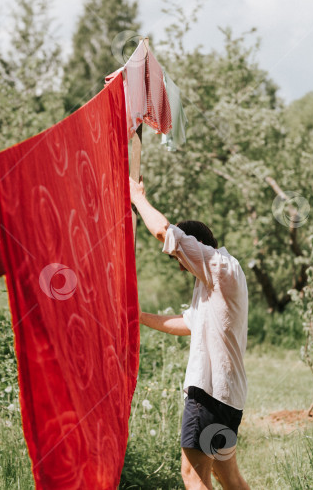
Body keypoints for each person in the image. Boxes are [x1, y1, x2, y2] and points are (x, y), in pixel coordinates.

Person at [130, 176, 251, 490]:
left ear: (196, 247)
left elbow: (162, 231)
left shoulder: (219, 266)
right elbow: (187, 325)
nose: (181, 266)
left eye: (179, 259)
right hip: (228, 397)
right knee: (229, 477)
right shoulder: (216, 280)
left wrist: (137, 197)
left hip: (210, 395)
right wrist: (137, 317)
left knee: (193, 477)